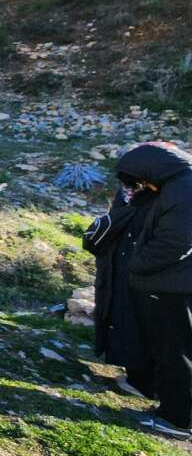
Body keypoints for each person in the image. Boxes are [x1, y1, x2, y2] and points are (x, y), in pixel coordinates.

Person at [121, 143, 192, 440]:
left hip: (174, 286)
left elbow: (175, 242)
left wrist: (137, 264)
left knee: (176, 351)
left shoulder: (184, 190)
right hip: (175, 282)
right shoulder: (179, 184)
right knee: (173, 348)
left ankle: (177, 420)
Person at [84, 150, 160, 399]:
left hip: (134, 268)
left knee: (137, 323)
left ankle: (144, 382)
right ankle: (142, 377)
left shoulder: (150, 196)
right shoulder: (166, 193)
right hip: (132, 266)